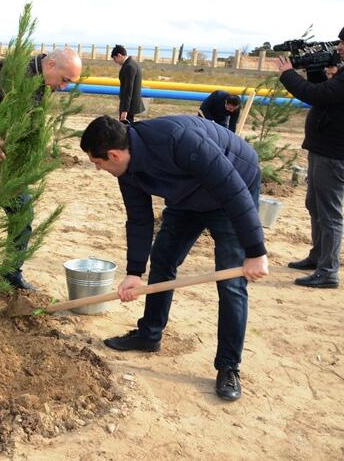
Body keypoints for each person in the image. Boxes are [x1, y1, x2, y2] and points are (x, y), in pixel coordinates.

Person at [80, 114, 269, 402]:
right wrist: (134, 272)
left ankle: (229, 366)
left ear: (114, 155)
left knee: (231, 282)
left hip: (232, 189)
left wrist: (256, 251)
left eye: (98, 163)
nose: (98, 169)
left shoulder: (177, 139)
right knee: (163, 259)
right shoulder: (126, 170)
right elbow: (139, 219)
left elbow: (233, 190)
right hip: (187, 199)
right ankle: (149, 334)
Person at [0, 47, 83, 307]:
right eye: (65, 79)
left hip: (6, 166)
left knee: (22, 213)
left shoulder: (43, 82)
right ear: (51, 64)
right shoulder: (12, 73)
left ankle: (10, 273)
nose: (64, 87)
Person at [277, 27, 344, 289]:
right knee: (314, 205)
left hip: (333, 155)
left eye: (343, 43)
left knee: (329, 213)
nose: (339, 47)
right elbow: (323, 91)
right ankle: (318, 257)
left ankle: (328, 271)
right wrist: (316, 69)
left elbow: (316, 95)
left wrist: (287, 74)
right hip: (323, 151)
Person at [111, 44, 145, 123]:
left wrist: (125, 110)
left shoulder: (129, 66)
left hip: (129, 106)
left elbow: (128, 90)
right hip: (130, 104)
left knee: (125, 128)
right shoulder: (132, 63)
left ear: (119, 55)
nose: (115, 61)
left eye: (115, 59)